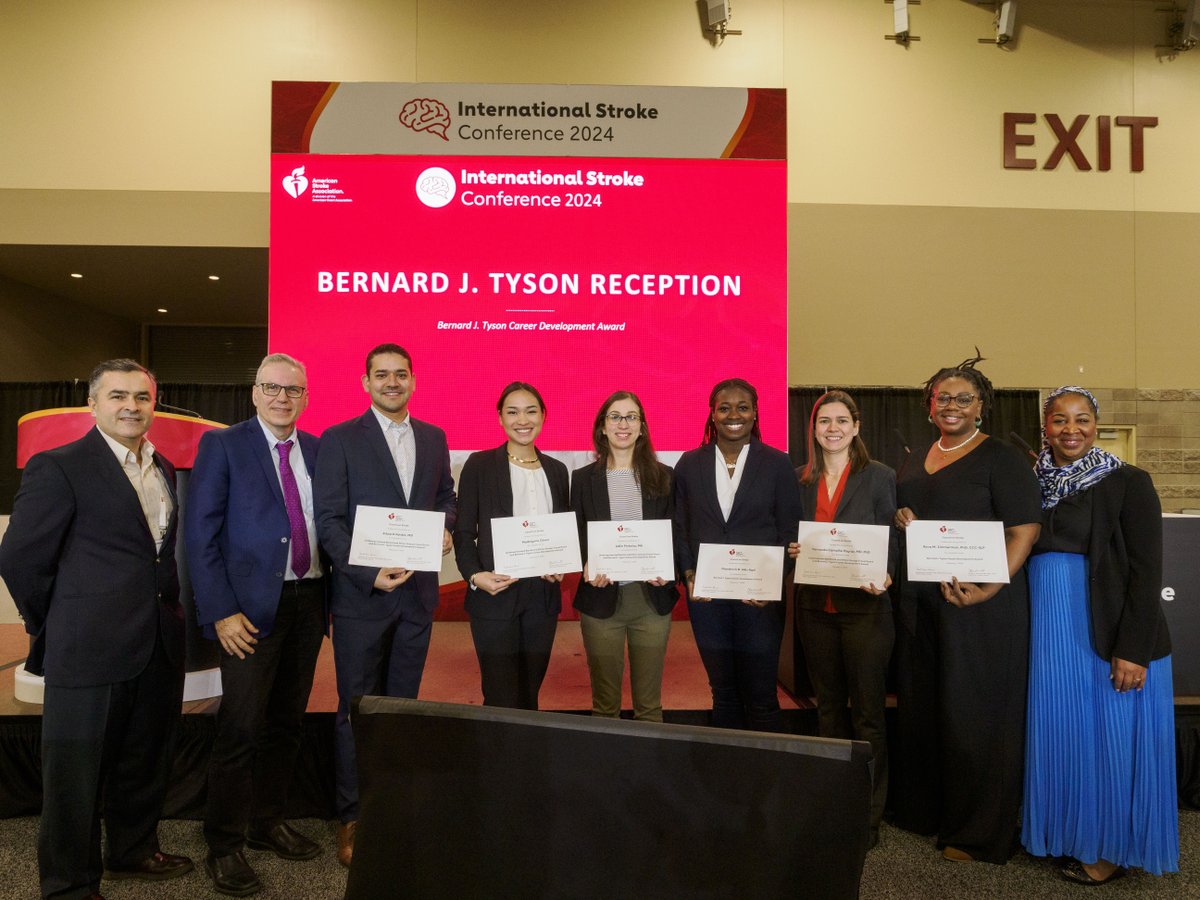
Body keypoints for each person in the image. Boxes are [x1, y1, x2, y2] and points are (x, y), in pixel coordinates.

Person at [0, 359, 193, 898]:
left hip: (157, 642)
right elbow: (19, 558)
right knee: (74, 781)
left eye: (142, 397)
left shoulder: (163, 467)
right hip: (86, 649)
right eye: (117, 396)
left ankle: (131, 852)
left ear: (155, 404)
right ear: (92, 403)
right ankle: (68, 885)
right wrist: (55, 622)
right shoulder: (58, 466)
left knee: (144, 760)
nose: (131, 406)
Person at [1021, 386, 1178, 885]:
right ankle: (1069, 834)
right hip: (1051, 635)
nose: (1071, 430)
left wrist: (1132, 650)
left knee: (1109, 739)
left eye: (1082, 419)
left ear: (1097, 424)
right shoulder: (1030, 484)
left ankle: (1108, 851)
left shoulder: (1129, 481)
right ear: (1044, 427)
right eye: (1060, 420)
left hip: (1107, 631)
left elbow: (1146, 571)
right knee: (1066, 734)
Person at [891, 352, 1041, 864]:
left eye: (963, 398)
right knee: (926, 708)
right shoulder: (916, 457)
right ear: (929, 405)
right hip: (922, 605)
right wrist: (903, 515)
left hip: (980, 608)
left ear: (982, 406)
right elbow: (918, 514)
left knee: (975, 716)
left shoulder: (1000, 457)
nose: (951, 405)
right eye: (942, 397)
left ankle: (978, 832)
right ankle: (929, 812)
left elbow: (1025, 529)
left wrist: (990, 588)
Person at [186, 353, 326, 895]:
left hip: (310, 602)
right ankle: (224, 843)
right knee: (240, 728)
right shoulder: (222, 445)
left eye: (293, 390)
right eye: (272, 387)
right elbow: (200, 535)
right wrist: (220, 610)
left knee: (286, 722)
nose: (282, 397)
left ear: (306, 396)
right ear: (254, 392)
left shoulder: (317, 449)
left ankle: (267, 822)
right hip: (246, 611)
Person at [314, 343, 457, 868]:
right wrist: (367, 571)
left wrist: (444, 526)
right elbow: (328, 520)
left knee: (402, 708)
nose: (391, 382)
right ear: (365, 382)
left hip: (418, 597)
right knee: (358, 710)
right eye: (381, 375)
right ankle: (352, 816)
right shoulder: (340, 439)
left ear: (414, 381)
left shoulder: (435, 437)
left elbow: (446, 496)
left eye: (400, 374)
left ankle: (392, 805)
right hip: (360, 598)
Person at [786, 390, 896, 848]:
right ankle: (832, 802)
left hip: (865, 611)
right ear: (813, 429)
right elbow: (791, 538)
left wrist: (886, 573)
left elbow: (891, 534)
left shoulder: (880, 477)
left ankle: (867, 816)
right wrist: (792, 552)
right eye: (823, 421)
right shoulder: (799, 480)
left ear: (856, 426)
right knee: (828, 709)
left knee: (868, 714)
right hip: (816, 610)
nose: (832, 428)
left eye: (840, 420)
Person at [672, 378, 802, 732]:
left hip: (758, 601)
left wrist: (772, 583)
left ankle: (767, 775)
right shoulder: (689, 463)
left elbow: (790, 531)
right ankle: (728, 771)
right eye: (724, 407)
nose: (733, 415)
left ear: (755, 412)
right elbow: (680, 527)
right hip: (707, 599)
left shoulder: (777, 464)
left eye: (742, 407)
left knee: (761, 693)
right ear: (712, 414)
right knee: (723, 692)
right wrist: (688, 575)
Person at [454, 382, 570, 710]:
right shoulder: (479, 465)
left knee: (530, 695)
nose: (523, 419)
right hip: (494, 596)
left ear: (544, 416)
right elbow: (464, 533)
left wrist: (559, 562)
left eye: (531, 411)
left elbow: (560, 534)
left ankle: (526, 762)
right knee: (500, 696)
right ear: (500, 419)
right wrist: (476, 576)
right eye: (513, 411)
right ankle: (498, 762)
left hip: (542, 599)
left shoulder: (558, 471)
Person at [571, 391, 679, 721]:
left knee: (649, 705)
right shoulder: (582, 479)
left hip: (651, 600)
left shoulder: (664, 476)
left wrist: (668, 567)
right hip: (601, 600)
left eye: (631, 417)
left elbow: (675, 534)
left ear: (642, 428)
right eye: (615, 417)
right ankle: (606, 772)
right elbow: (575, 536)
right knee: (605, 704)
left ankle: (650, 772)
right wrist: (586, 563)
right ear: (602, 427)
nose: (623, 424)